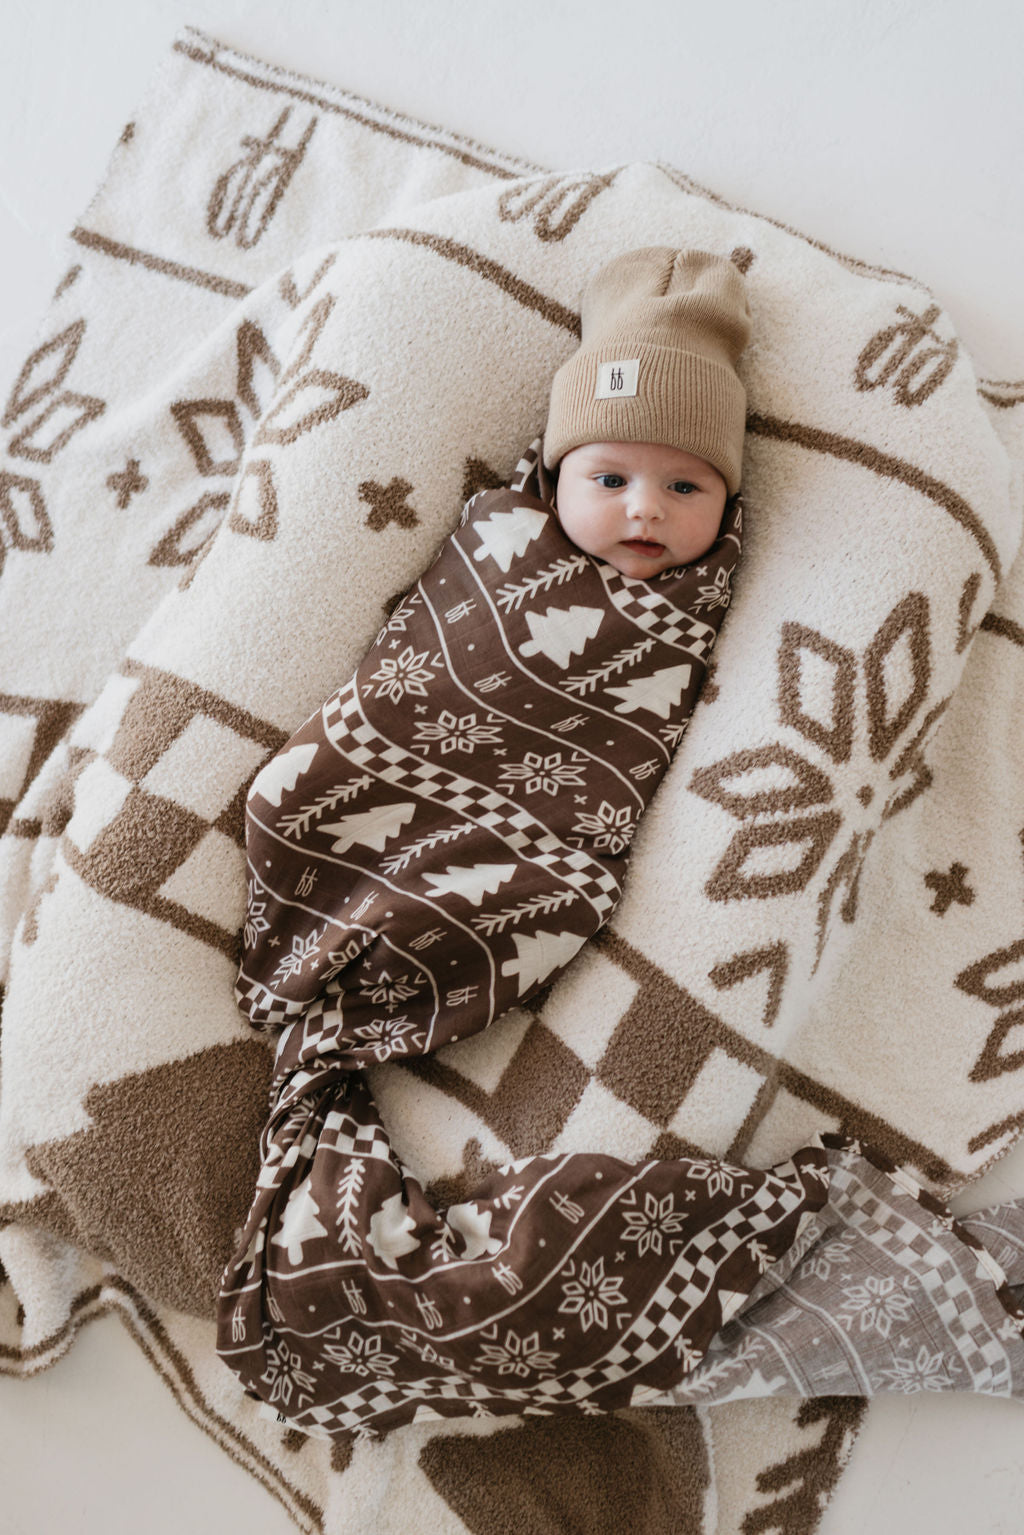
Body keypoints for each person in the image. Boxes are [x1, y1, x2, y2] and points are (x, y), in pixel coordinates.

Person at [217, 247, 755, 1438]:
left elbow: (623, 744)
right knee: (318, 785)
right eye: (608, 475)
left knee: (540, 882)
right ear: (551, 473)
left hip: (534, 851)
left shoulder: (700, 612)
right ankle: (335, 984)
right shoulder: (498, 545)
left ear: (727, 506)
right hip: (383, 807)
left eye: (684, 488)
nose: (640, 510)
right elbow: (418, 674)